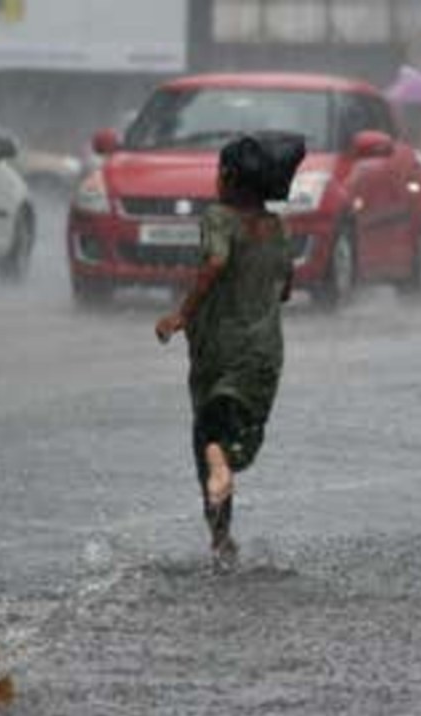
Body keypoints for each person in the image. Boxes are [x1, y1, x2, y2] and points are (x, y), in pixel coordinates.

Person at [155, 135, 302, 571]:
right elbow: (287, 288)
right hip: (263, 353)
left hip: (219, 347)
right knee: (236, 429)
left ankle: (220, 537)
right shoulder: (279, 227)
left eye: (220, 171)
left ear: (231, 179)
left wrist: (181, 314)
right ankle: (223, 538)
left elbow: (216, 262)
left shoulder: (219, 217)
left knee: (208, 436)